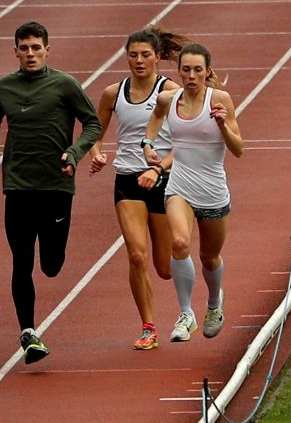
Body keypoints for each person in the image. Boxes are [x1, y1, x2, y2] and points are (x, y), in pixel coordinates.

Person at [0, 21, 102, 365]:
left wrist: (75, 153)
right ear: (15, 51)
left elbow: (92, 122)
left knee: (51, 265)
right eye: (25, 48)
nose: (31, 54)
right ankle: (28, 333)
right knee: (21, 260)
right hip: (18, 186)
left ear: (48, 50)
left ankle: (51, 261)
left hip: (56, 186)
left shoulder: (64, 85)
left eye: (36, 48)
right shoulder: (3, 86)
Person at [87, 26, 188, 351]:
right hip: (128, 180)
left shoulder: (170, 91)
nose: (139, 60)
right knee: (136, 255)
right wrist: (96, 153)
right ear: (126, 57)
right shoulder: (112, 93)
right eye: (133, 55)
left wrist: (158, 167)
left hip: (164, 180)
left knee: (164, 267)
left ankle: (190, 297)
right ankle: (148, 327)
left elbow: (187, 142)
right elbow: (94, 132)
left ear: (157, 57)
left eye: (145, 55)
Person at [145, 41, 243, 342]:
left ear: (207, 71)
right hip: (180, 187)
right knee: (178, 242)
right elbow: (155, 118)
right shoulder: (168, 99)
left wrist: (223, 125)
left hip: (212, 192)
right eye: (185, 70)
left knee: (209, 258)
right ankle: (186, 313)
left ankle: (214, 304)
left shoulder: (220, 99)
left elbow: (238, 149)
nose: (191, 76)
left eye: (197, 70)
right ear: (178, 71)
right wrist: (147, 144)